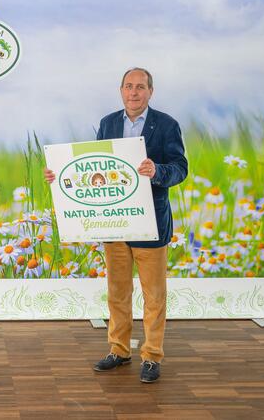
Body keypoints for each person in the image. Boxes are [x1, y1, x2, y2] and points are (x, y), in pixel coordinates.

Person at [44, 68, 187, 383]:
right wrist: (61, 176)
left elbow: (180, 168)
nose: (133, 92)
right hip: (114, 222)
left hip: (150, 223)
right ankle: (119, 351)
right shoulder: (108, 123)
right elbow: (95, 170)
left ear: (150, 91)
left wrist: (158, 170)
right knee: (117, 292)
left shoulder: (166, 125)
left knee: (154, 295)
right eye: (128, 86)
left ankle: (151, 356)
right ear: (121, 90)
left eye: (140, 87)